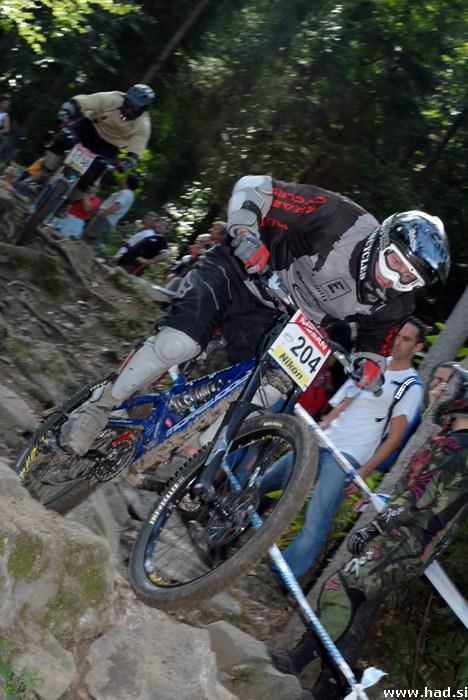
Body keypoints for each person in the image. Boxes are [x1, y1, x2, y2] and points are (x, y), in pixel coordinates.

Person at [60, 175, 450, 457]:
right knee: (179, 344)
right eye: (394, 262)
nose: (393, 279)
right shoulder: (339, 217)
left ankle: (192, 456)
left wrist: (369, 363)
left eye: (408, 278)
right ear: (380, 241)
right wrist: (246, 233)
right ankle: (99, 407)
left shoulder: (398, 304)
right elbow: (255, 187)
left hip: (283, 318)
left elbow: (377, 342)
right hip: (241, 270)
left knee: (271, 388)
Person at [269, 365, 468, 699]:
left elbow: (418, 497)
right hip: (413, 539)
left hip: (406, 538)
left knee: (341, 588)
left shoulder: (456, 447)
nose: (436, 388)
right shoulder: (457, 444)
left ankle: (301, 662)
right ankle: (328, 686)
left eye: (444, 384)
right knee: (361, 606)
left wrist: (377, 525)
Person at [261, 318, 425, 580]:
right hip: (322, 441)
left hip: (349, 456)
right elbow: (343, 402)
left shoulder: (410, 386)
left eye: (407, 339)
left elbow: (394, 438)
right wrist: (320, 428)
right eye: (398, 335)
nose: (398, 341)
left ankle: (282, 577)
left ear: (417, 348)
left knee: (316, 517)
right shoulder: (373, 364)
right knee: (267, 483)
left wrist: (364, 471)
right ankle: (226, 534)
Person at [24, 84, 154, 195]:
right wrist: (67, 111)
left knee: (91, 177)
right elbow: (83, 101)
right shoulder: (112, 98)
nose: (129, 110)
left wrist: (127, 162)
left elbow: (136, 150)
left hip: (110, 146)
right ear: (125, 99)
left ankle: (67, 202)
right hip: (89, 128)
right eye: (128, 105)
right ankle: (45, 173)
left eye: (135, 109)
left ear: (143, 110)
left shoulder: (143, 125)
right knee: (63, 139)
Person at [84, 173, 139, 247]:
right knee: (94, 240)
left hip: (105, 218)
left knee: (89, 237)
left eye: (125, 178)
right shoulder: (131, 195)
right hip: (110, 221)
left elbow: (117, 204)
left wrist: (105, 213)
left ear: (127, 181)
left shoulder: (125, 193)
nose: (123, 179)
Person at [0, 95, 12, 163]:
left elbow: (7, 129)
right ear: (1, 104)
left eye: (8, 105)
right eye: (5, 104)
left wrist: (1, 131)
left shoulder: (5, 116)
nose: (7, 106)